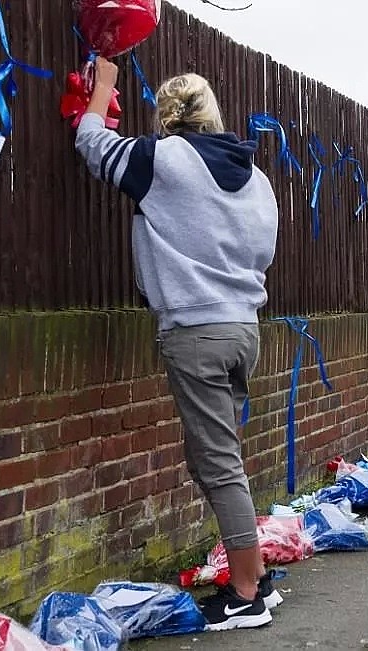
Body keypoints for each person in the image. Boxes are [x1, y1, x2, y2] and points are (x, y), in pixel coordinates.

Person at [74, 57, 280, 631]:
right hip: (244, 329)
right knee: (212, 455)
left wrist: (104, 90)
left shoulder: (164, 160)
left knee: (217, 463)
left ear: (168, 115)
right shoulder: (257, 180)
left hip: (196, 332)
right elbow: (263, 253)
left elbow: (92, 144)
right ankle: (251, 568)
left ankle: (248, 591)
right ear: (213, 113)